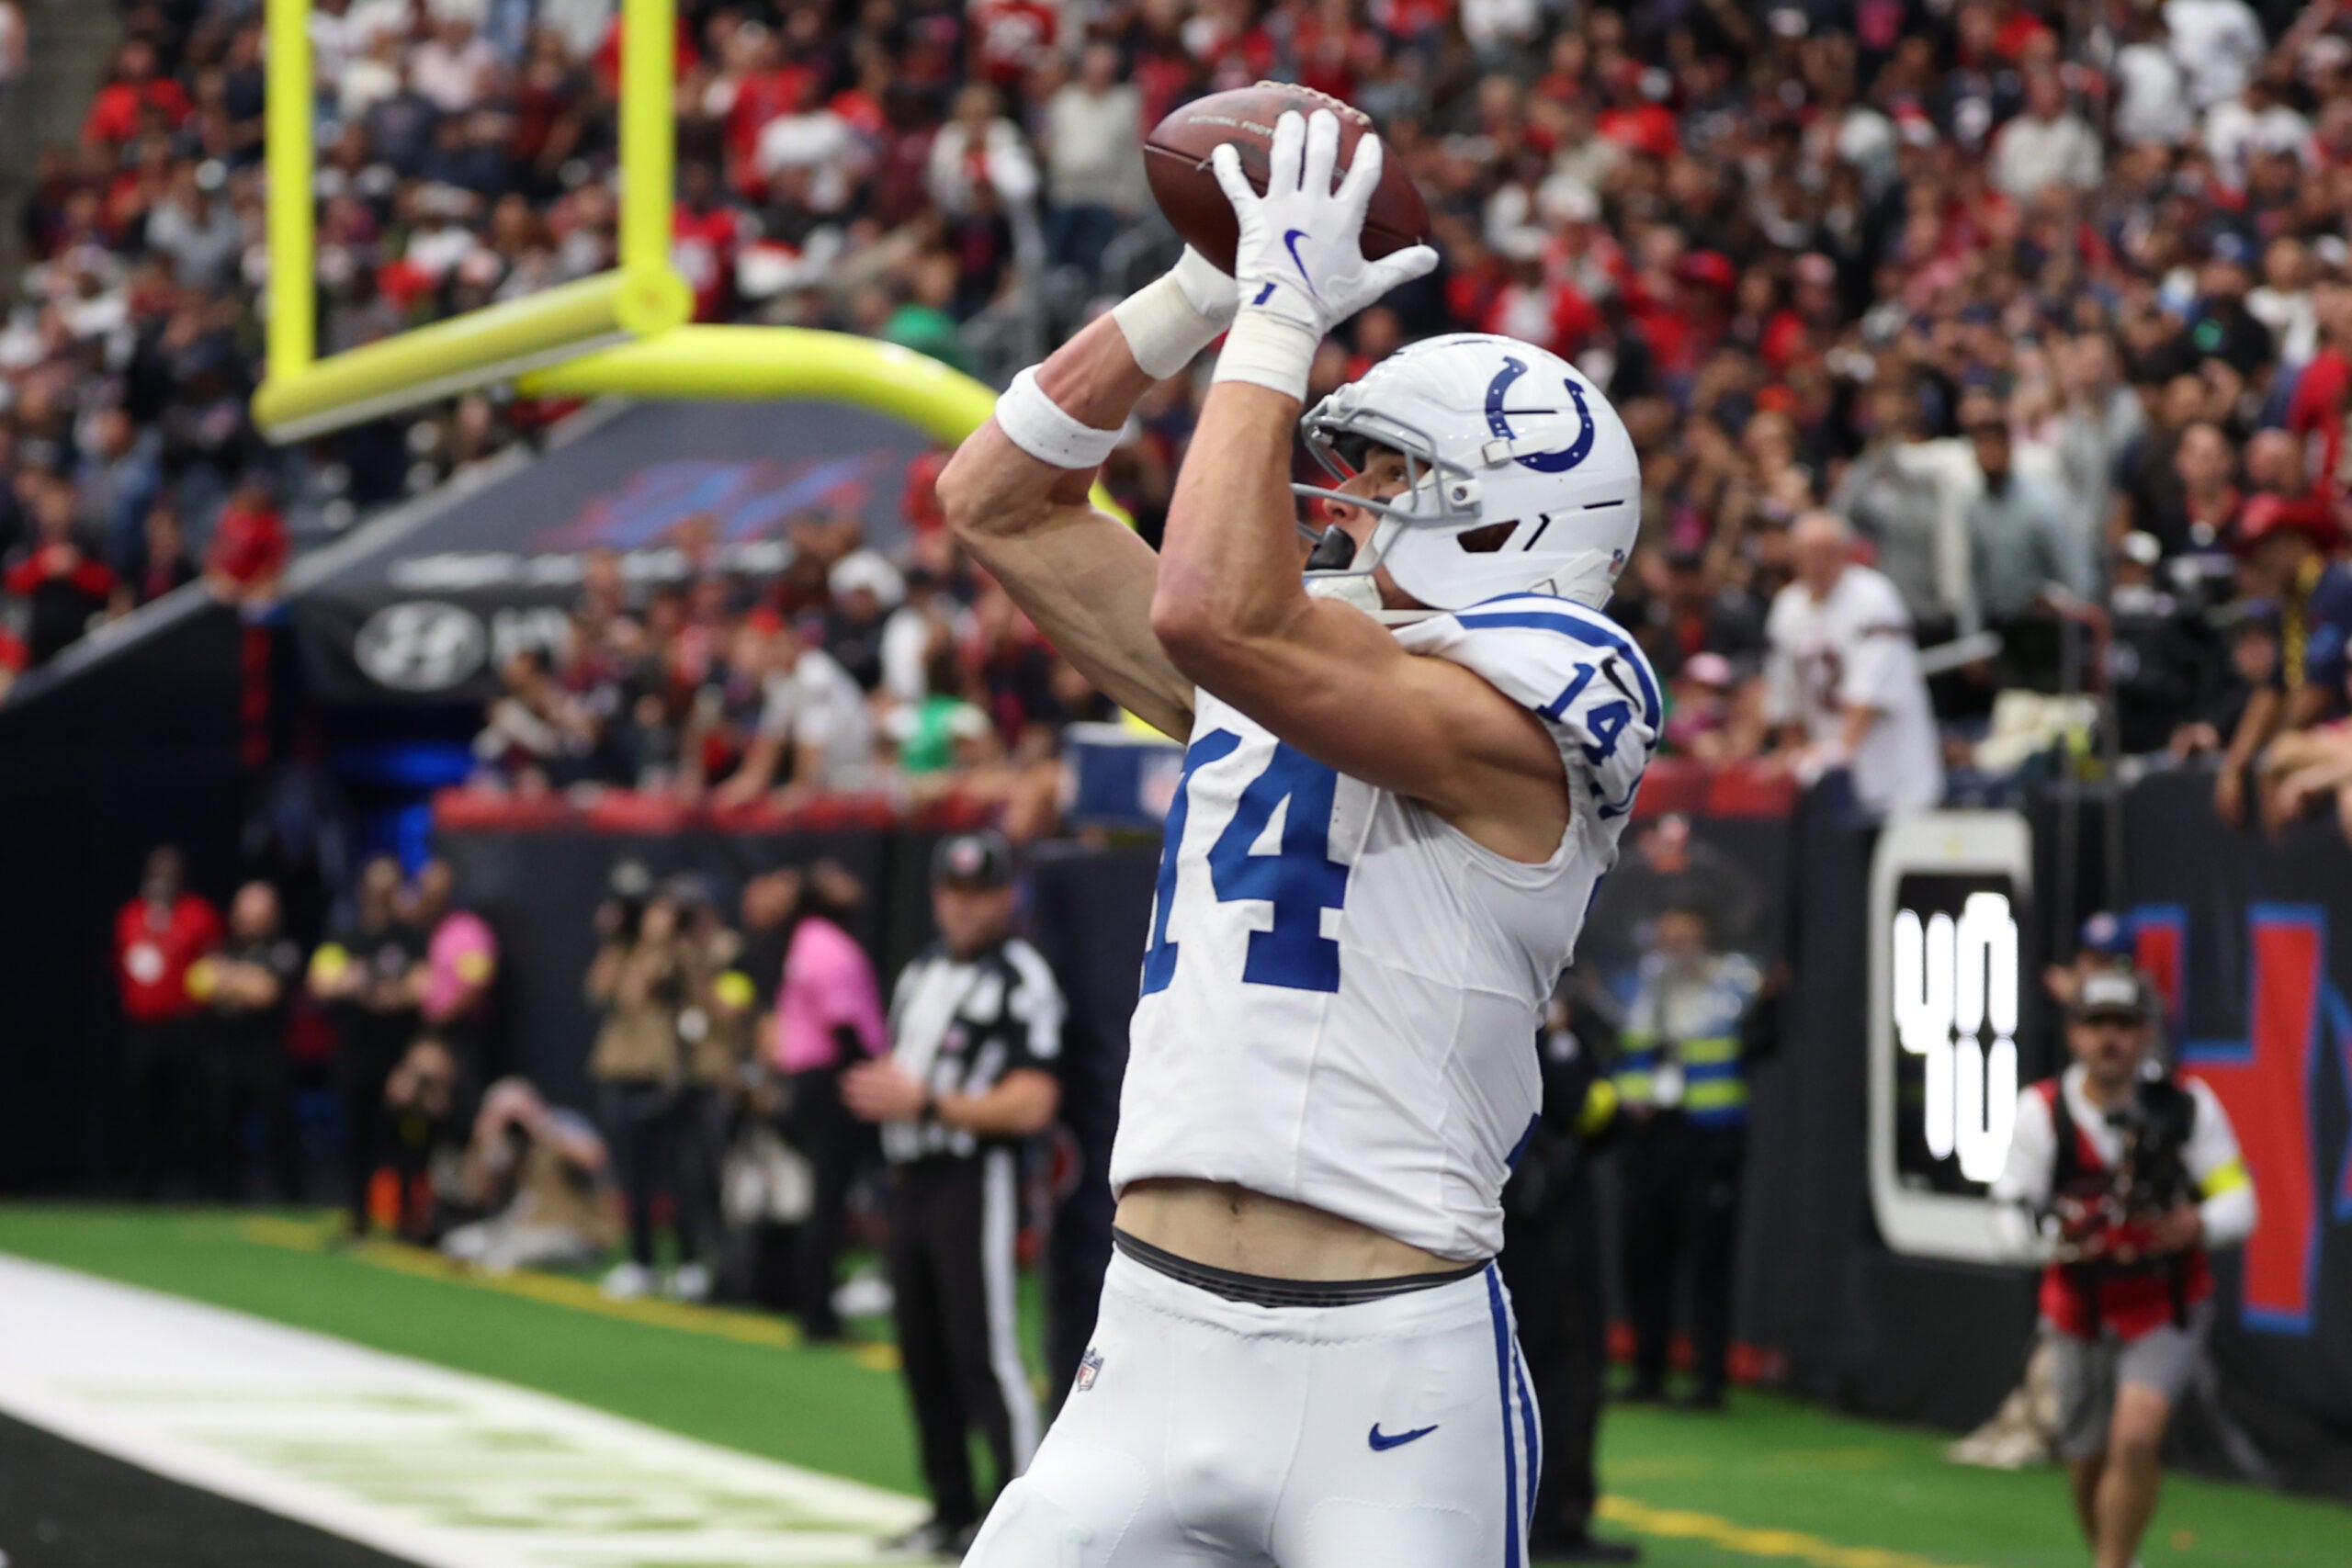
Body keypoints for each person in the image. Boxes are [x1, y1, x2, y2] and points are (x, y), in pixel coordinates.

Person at [939, 109, 1646, 1568]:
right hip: (1147, 1335)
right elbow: (997, 496)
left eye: (1391, 474)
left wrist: (1277, 314)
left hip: (1387, 1367)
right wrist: (1206, 280)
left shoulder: (1552, 699)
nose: (1350, 496)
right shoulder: (1284, 664)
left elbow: (1213, 609)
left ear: (1511, 524)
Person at [842, 831, 1065, 1556]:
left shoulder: (1021, 976)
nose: (965, 908)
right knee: (922, 1350)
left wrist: (929, 1104)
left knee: (986, 1351)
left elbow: (1033, 1100)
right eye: (954, 892)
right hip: (912, 1180)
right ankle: (950, 1509)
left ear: (1007, 896)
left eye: (981, 893)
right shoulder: (922, 970)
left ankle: (1024, 1524)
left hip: (978, 1175)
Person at [1991, 970, 2256, 1568]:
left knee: (2135, 1437)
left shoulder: (2184, 1105)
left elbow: (2239, 1200)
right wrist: (2058, 1241)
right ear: (2073, 1034)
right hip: (2079, 1302)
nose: (2110, 1039)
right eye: (2096, 1024)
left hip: (2164, 1298)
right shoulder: (2042, 1112)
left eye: (2125, 1024)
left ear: (2147, 1034)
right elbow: (2008, 1213)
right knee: (2085, 1456)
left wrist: (2197, 1224)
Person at [1500, 988, 1639, 1562]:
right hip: (1548, 1219)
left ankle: (1516, 1508)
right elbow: (1583, 1108)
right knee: (1569, 1365)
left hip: (1490, 1215)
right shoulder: (1545, 1029)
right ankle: (1557, 1515)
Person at [1612, 903, 1765, 1409]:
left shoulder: (1735, 984)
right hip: (1649, 1135)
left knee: (1708, 1263)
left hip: (1709, 1137)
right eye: (1666, 934)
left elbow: (1763, 1035)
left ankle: (1708, 1381)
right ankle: (1647, 1372)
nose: (1674, 944)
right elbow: (1624, 1047)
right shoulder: (1637, 986)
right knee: (1644, 1257)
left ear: (1704, 936)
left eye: (1685, 934)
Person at [767, 862, 887, 1339]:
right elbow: (843, 1024)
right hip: (832, 1079)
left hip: (815, 1078)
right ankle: (818, 1312)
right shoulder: (824, 943)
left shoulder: (807, 940)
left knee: (828, 1199)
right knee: (829, 1201)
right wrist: (872, 1078)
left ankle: (818, 1302)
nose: (851, 883)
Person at [1763, 512, 1944, 820]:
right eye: (1809, 554)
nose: (1818, 563)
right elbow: (1786, 698)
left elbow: (1871, 691)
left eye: (1828, 552)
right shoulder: (1787, 607)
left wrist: (1837, 751)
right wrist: (1792, 756)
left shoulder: (1875, 598)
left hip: (1890, 771)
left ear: (1847, 553)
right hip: (1831, 779)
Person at [584, 863, 687, 1299]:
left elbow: (648, 985)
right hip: (618, 1072)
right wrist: (614, 940)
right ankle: (640, 1259)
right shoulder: (619, 951)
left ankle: (687, 1262)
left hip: (656, 1073)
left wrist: (654, 936)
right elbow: (597, 991)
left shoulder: (666, 951)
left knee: (677, 1173)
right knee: (633, 1176)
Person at [310, 855, 427, 1234]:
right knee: (356, 1135)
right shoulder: (346, 936)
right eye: (375, 887)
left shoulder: (410, 938)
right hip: (355, 1050)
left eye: (389, 887)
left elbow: (421, 986)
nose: (381, 895)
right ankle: (357, 1213)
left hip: (398, 1054)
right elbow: (321, 981)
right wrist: (351, 983)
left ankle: (409, 1214)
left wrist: (380, 993)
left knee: (405, 1135)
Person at [115, 846, 222, 1196]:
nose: (163, 877)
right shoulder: (132, 915)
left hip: (186, 1026)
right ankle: (144, 1187)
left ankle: (200, 1185)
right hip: (144, 1027)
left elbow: (214, 963)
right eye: (157, 870)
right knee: (145, 1109)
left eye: (170, 871)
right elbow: (121, 964)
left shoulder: (199, 914)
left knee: (192, 1107)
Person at [442, 1077, 626, 1273]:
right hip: (521, 1229)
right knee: (456, 1245)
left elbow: (594, 1158)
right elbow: (475, 1193)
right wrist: (488, 1138)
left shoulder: (560, 1121)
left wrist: (538, 1123)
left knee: (502, 1259)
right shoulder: (510, 1142)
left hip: (573, 1233)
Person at [195, 880, 305, 1201]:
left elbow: (266, 992)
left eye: (259, 912)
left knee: (279, 1129)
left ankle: (291, 1197)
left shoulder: (283, 950)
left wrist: (226, 978)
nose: (250, 920)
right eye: (245, 911)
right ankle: (222, 1197)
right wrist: (243, 979)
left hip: (268, 1053)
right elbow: (197, 982)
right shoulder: (222, 947)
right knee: (221, 1128)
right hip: (227, 1050)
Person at [409, 858, 498, 1066]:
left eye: (435, 894)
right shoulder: (416, 931)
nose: (428, 899)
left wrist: (442, 1017)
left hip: (459, 1032)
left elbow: (478, 983)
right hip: (419, 1032)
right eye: (424, 892)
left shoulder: (469, 930)